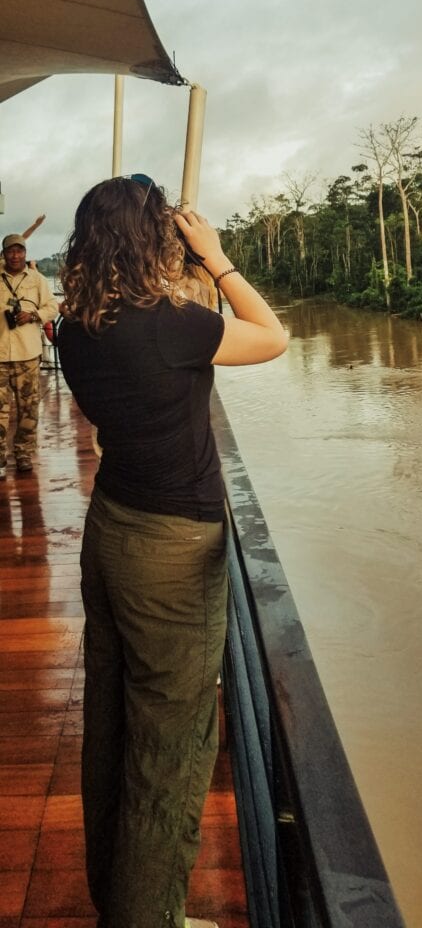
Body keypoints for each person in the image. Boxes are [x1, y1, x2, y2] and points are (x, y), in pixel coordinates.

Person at [57, 176, 287, 928]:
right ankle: (151, 917)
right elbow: (273, 336)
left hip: (113, 530)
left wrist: (175, 276)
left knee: (113, 724)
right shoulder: (170, 324)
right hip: (172, 550)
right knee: (173, 743)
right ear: (151, 241)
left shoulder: (72, 325)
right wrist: (215, 258)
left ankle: (120, 900)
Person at [0, 234, 59, 477]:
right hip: (0, 354)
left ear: (25, 253)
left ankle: (23, 452)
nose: (15, 255)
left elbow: (52, 307)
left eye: (19, 251)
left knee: (28, 408)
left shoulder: (38, 279)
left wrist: (33, 315)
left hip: (27, 354)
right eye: (10, 251)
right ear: (4, 253)